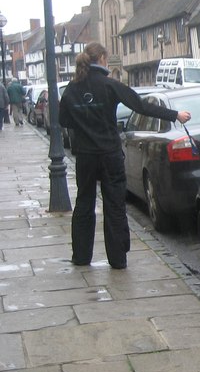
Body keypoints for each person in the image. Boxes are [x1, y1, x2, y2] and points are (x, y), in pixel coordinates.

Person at [59, 42, 191, 269]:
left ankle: (81, 257)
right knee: (115, 206)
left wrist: (84, 125)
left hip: (86, 157)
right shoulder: (110, 85)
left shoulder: (72, 89)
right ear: (101, 59)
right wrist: (175, 114)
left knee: (84, 203)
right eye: (106, 59)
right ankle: (118, 259)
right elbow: (140, 105)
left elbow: (63, 121)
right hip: (109, 153)